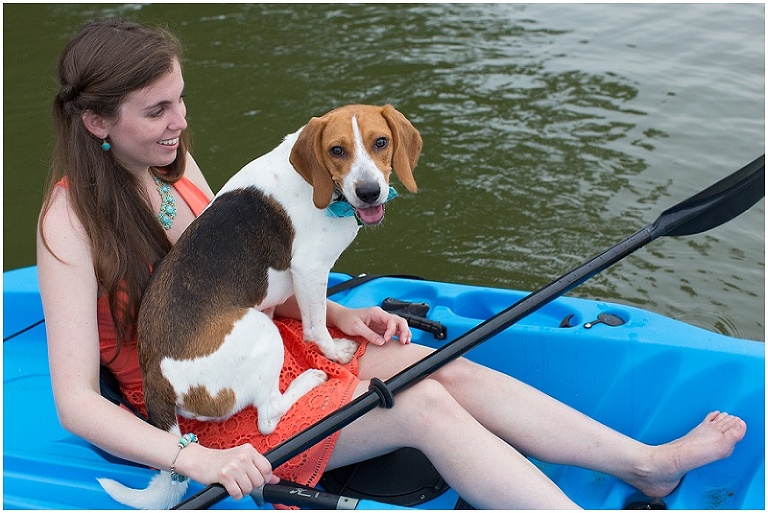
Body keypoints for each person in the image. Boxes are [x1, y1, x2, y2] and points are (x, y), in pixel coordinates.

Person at [37, 18, 747, 510]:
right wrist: (196, 462)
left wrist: (339, 314)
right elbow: (76, 403)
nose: (180, 121)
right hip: (199, 409)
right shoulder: (68, 223)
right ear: (98, 122)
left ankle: (643, 464)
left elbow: (245, 273)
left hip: (255, 341)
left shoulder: (171, 162)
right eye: (157, 109)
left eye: (181, 99)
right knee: (426, 407)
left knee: (442, 366)